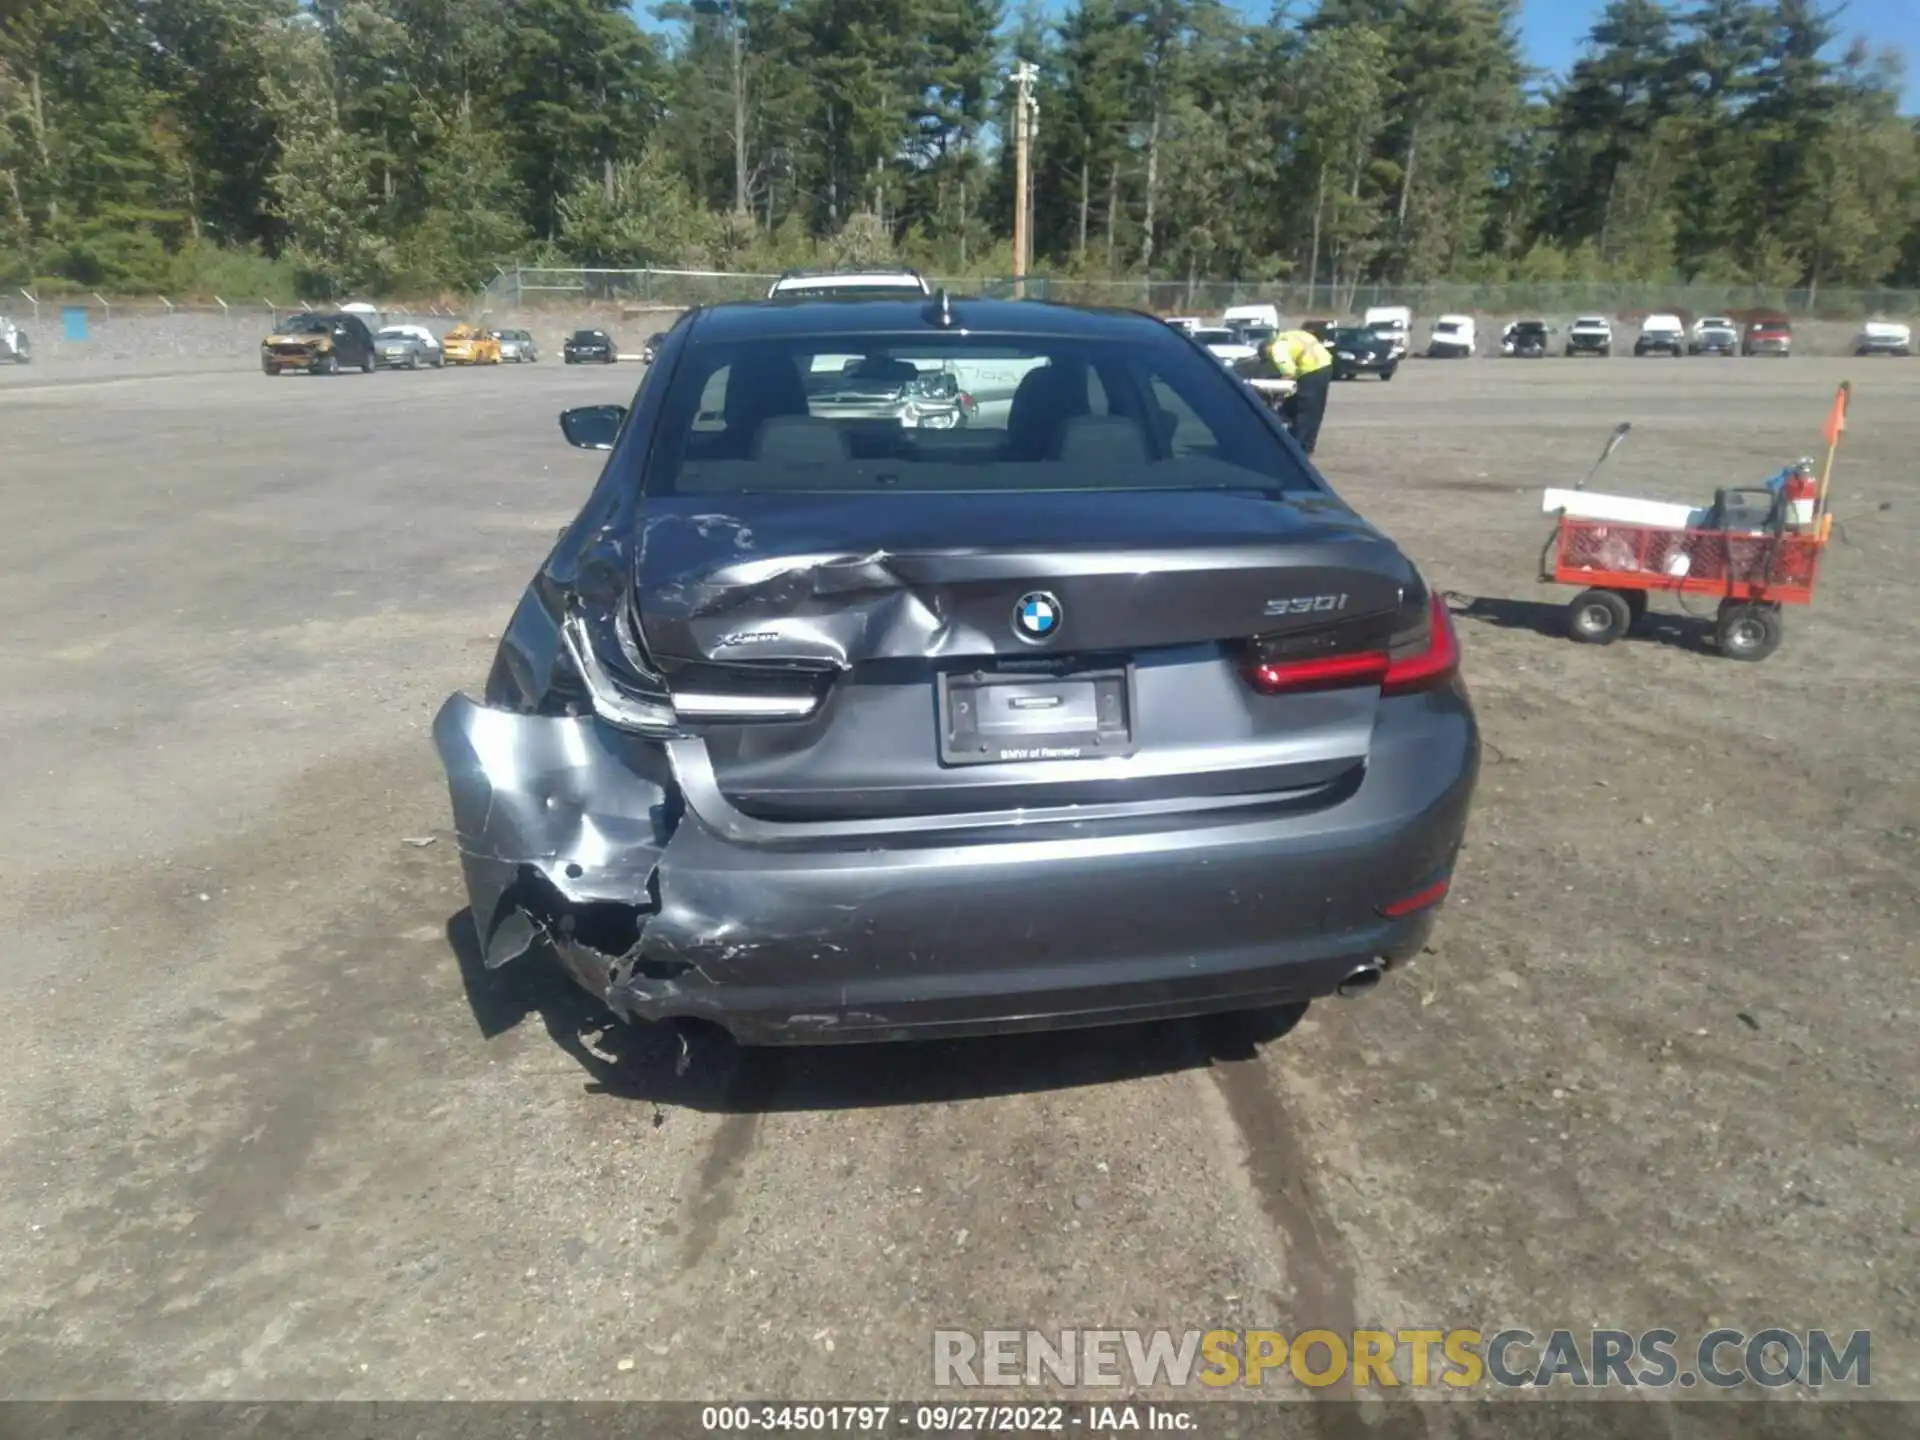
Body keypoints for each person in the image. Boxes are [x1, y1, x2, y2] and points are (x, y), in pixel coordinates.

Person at [1261, 328, 1335, 455]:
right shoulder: (1292, 334)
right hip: (1326, 366)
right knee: (1315, 410)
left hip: (1310, 370)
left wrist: (1281, 393)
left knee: (1302, 411)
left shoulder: (1277, 348)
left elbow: (1289, 372)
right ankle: (1308, 446)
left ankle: (1294, 448)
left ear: (1266, 350)